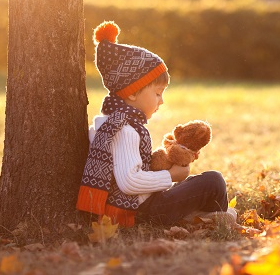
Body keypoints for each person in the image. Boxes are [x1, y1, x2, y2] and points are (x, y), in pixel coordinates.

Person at [76, 21, 235, 227]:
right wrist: (170, 175)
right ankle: (219, 219)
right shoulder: (123, 130)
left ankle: (209, 217)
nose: (161, 101)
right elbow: (128, 181)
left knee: (204, 182)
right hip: (142, 212)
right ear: (132, 92)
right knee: (212, 181)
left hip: (142, 206)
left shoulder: (109, 122)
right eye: (157, 93)